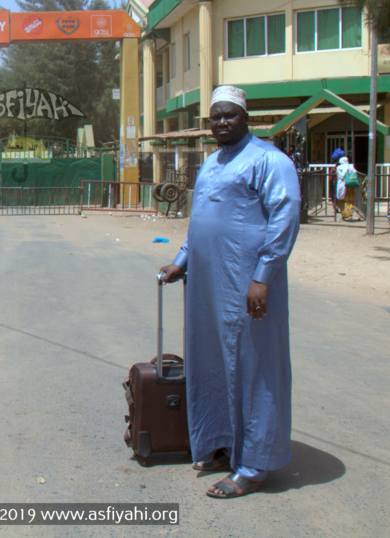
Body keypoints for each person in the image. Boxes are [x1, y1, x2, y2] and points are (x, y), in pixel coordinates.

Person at [158, 85, 301, 500]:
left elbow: (285, 218)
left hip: (247, 284)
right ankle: (221, 443)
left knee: (254, 366)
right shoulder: (211, 163)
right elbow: (198, 220)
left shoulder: (270, 161)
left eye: (230, 115)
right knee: (212, 361)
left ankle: (254, 464)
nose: (221, 122)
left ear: (246, 117)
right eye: (215, 117)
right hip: (206, 282)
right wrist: (181, 261)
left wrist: (263, 277)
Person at [336, 155, 359, 221]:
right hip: (349, 186)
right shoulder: (350, 166)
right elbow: (355, 172)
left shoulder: (339, 167)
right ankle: (349, 215)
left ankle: (344, 215)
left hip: (342, 185)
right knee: (349, 200)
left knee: (342, 200)